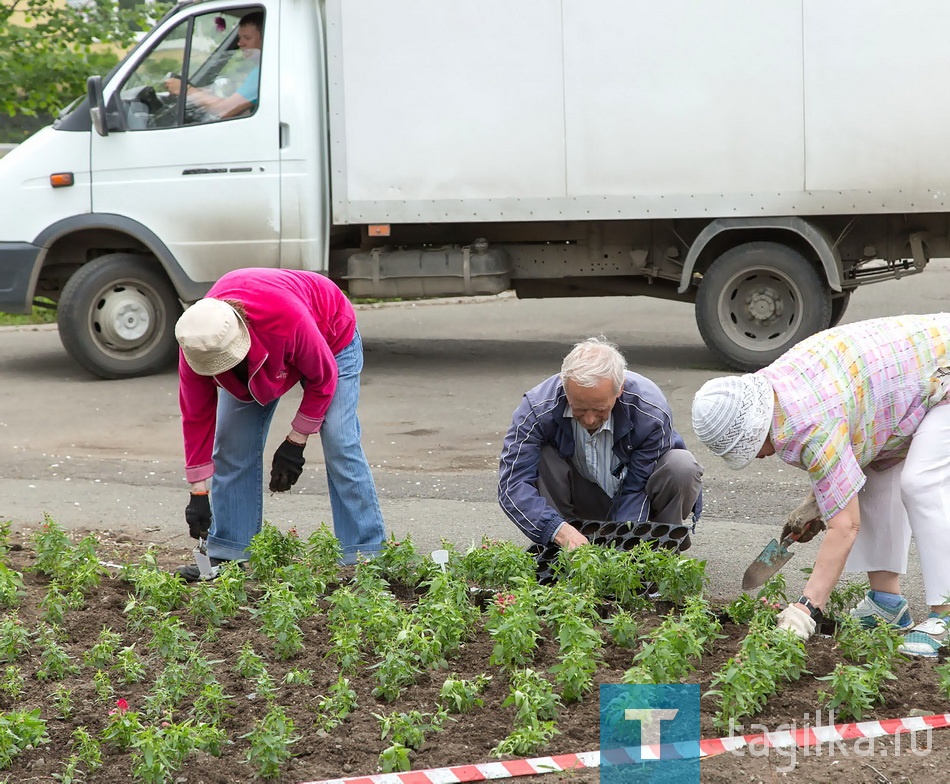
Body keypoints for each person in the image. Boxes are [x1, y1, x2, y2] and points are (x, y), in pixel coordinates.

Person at [691, 313, 950, 657]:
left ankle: (944, 617)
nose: (756, 458)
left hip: (941, 373)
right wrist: (817, 502)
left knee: (921, 482)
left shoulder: (809, 425)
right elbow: (847, 447)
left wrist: (806, 608)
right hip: (910, 381)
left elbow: (845, 526)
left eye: (749, 449)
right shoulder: (776, 389)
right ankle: (887, 602)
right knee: (874, 476)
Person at [173, 268, 387, 580]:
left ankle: (368, 556)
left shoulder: (288, 321)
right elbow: (196, 415)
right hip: (264, 352)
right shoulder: (198, 340)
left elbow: (323, 378)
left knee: (340, 439)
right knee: (232, 445)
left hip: (331, 336)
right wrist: (198, 492)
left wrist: (295, 441)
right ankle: (228, 552)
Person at [498, 336, 703, 551]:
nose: (589, 420)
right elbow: (513, 483)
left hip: (635, 500)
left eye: (599, 409)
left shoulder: (649, 410)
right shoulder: (537, 408)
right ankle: (566, 544)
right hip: (578, 503)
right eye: (578, 408)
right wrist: (554, 528)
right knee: (543, 456)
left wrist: (623, 545)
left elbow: (638, 488)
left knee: (681, 466)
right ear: (564, 388)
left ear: (620, 389)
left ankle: (660, 541)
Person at [165, 12, 263, 120]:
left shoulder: (262, 73)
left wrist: (184, 90)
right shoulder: (261, 71)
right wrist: (204, 95)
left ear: (265, 39)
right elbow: (240, 109)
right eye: (240, 38)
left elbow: (224, 110)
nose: (240, 43)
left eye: (247, 38)